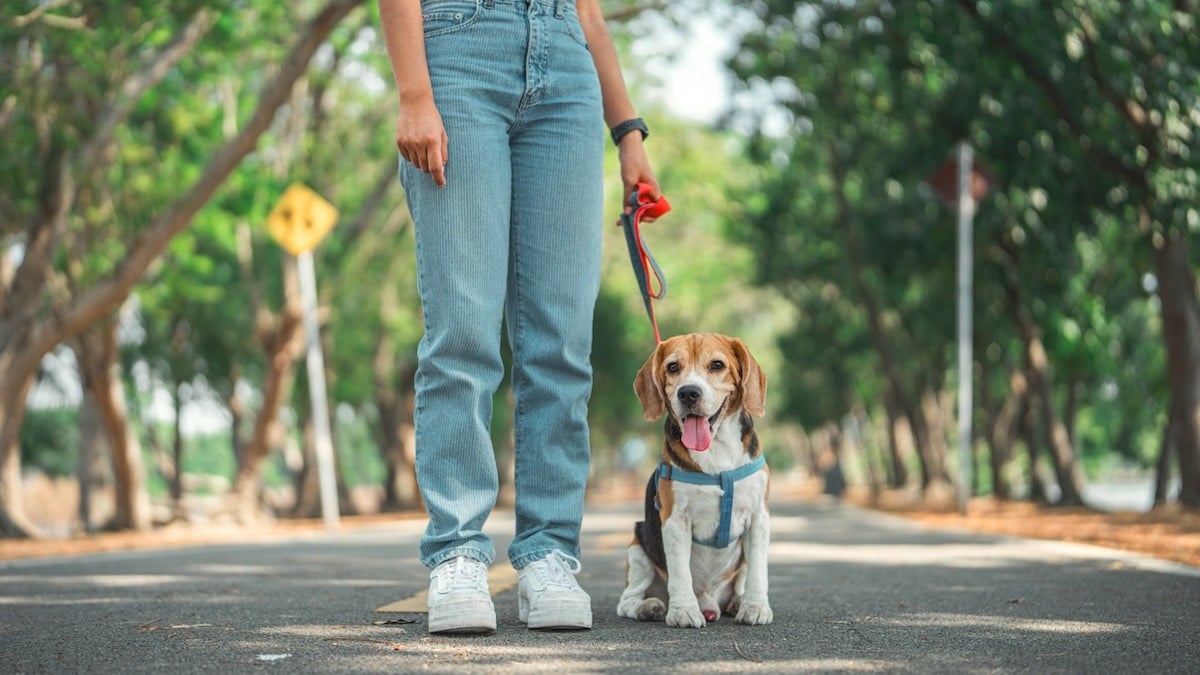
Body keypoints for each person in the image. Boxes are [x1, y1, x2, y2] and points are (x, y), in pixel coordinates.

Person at [377, 0, 660, 635]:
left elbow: (589, 13)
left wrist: (629, 134)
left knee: (560, 345)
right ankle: (456, 554)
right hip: (457, 53)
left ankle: (549, 556)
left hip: (566, 66)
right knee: (462, 337)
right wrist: (414, 95)